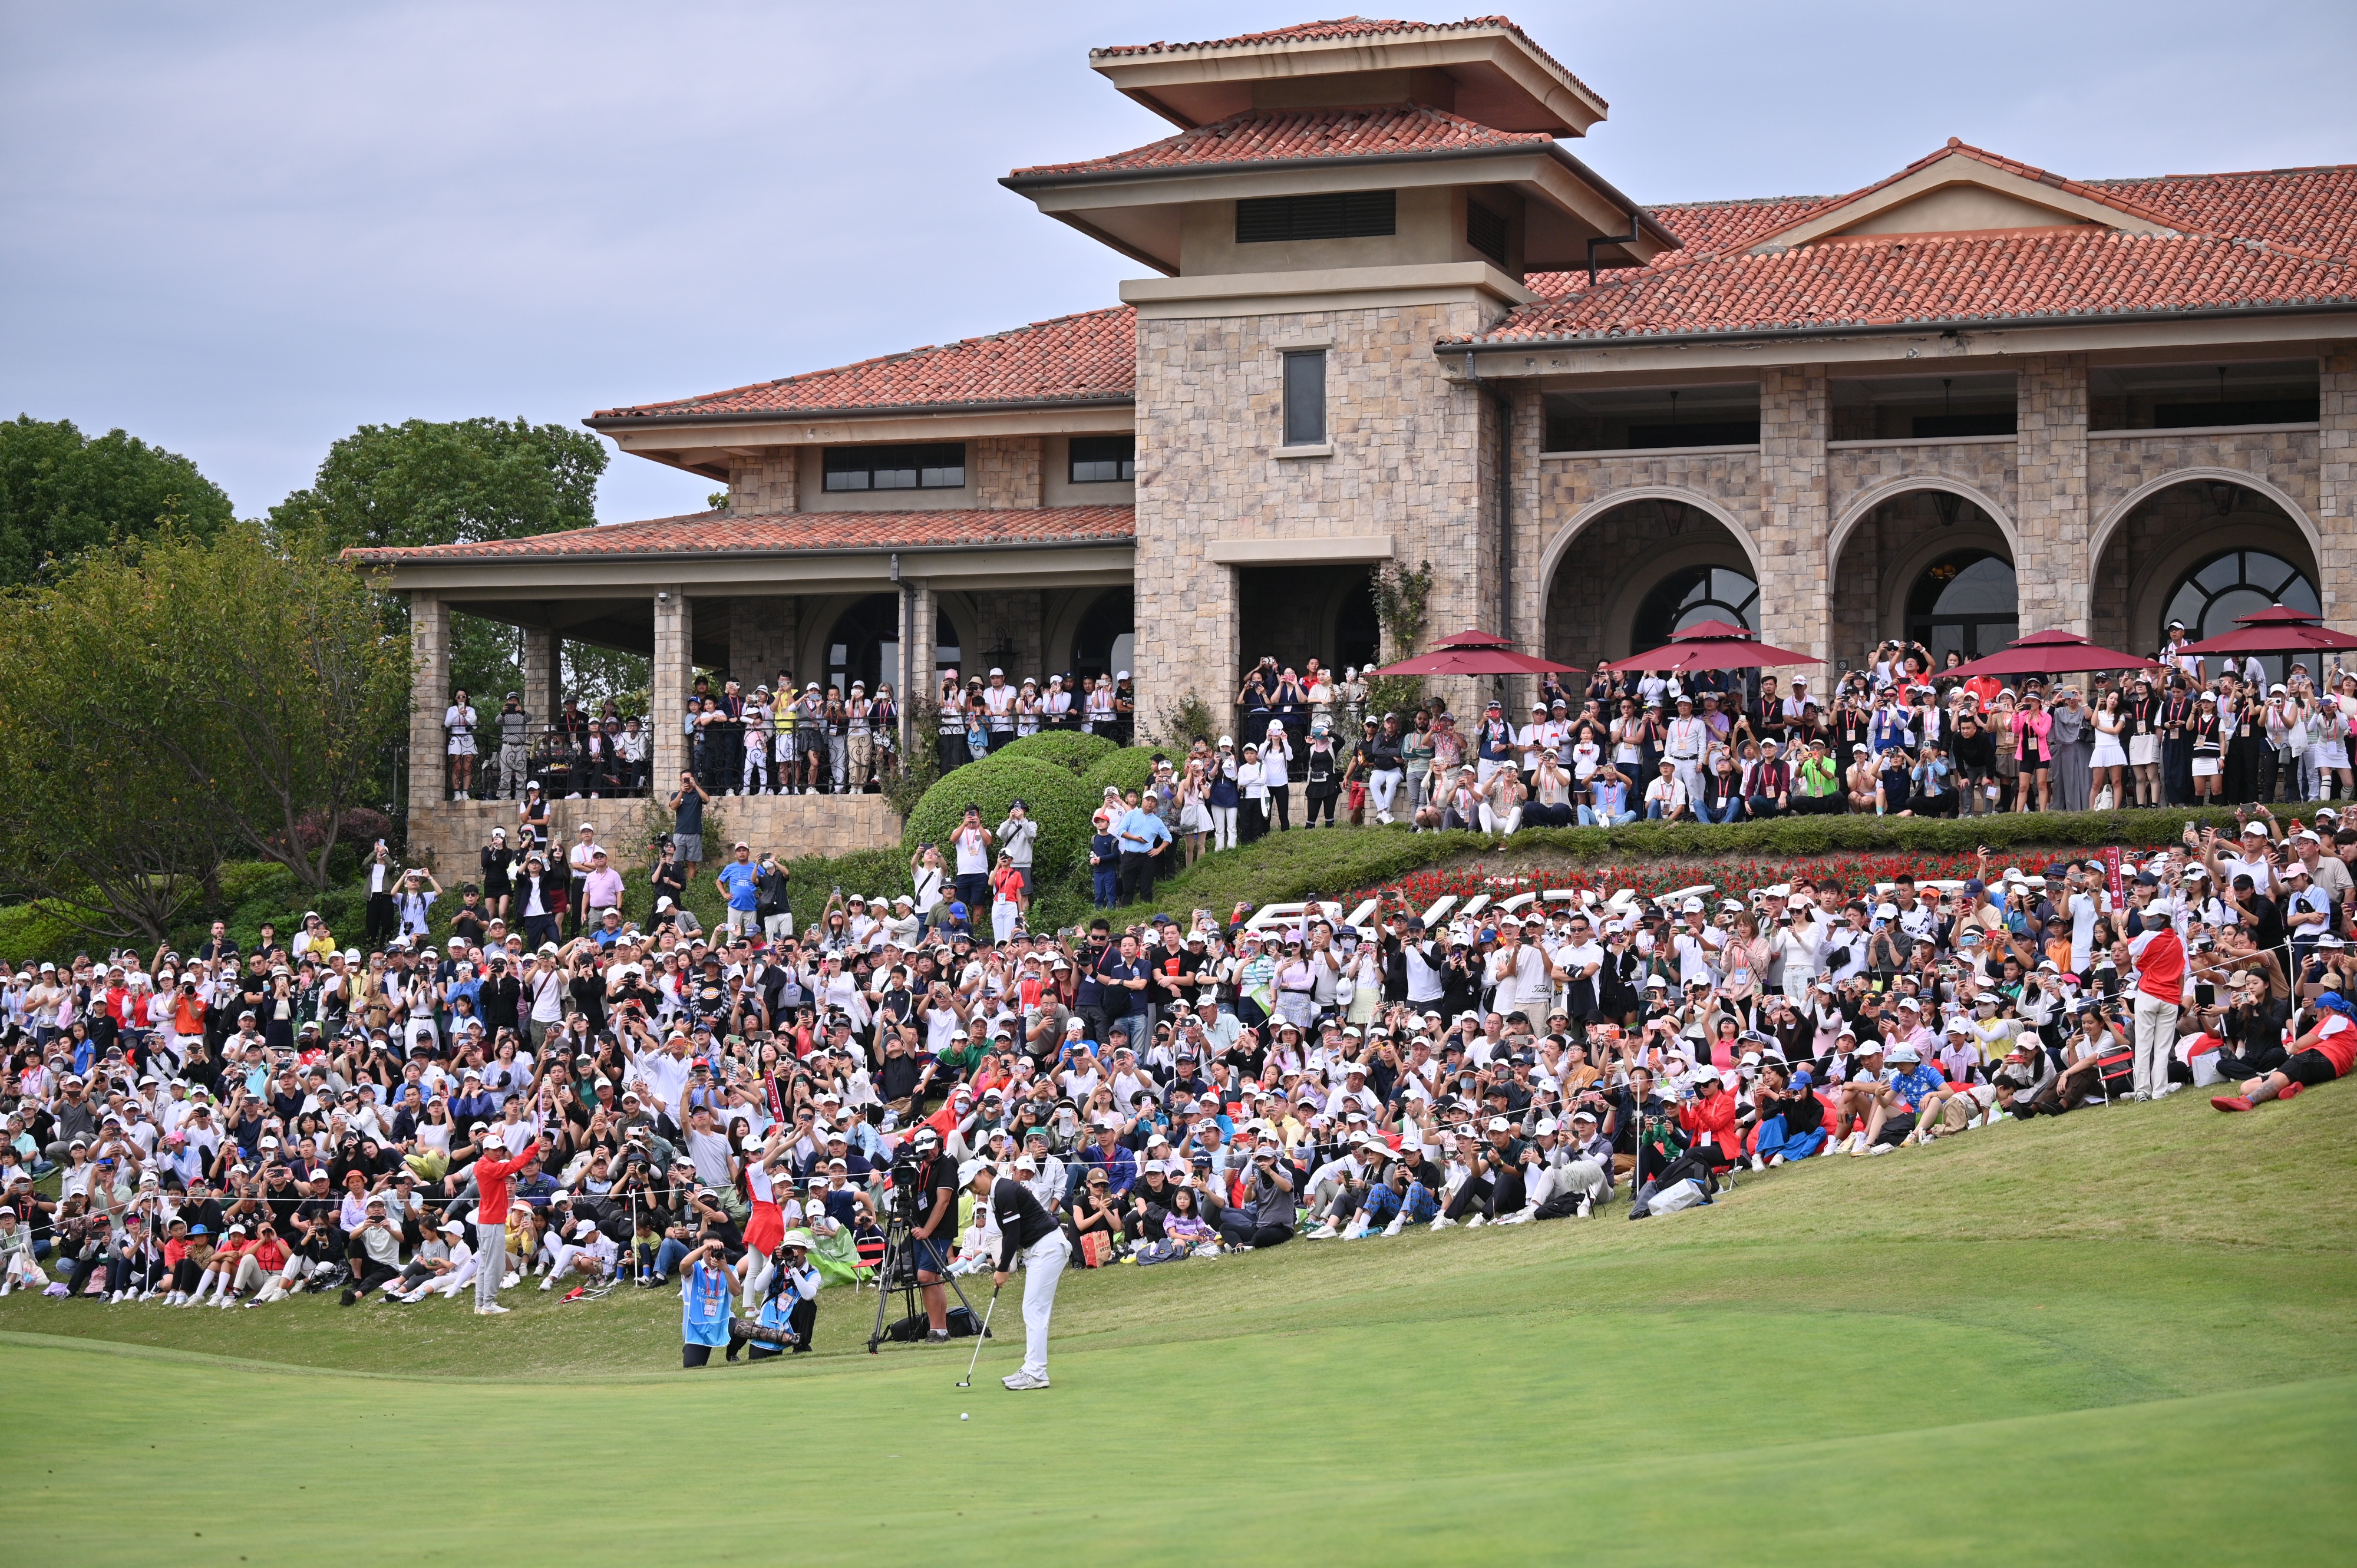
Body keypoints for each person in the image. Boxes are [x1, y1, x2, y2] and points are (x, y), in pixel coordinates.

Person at [965, 1157, 1071, 1391]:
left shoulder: (1003, 1190)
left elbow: (1012, 1234)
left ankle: (1036, 1373)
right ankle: (1032, 1368)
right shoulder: (997, 1192)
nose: (973, 1189)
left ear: (984, 1172)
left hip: (1049, 1248)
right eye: (969, 1188)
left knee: (1034, 1309)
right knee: (1032, 1308)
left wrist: (1002, 1269)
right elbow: (1012, 1233)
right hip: (1039, 1249)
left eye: (973, 1183)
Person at [678, 1237, 735, 1368]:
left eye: (715, 1249)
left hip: (723, 1321)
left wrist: (725, 1269)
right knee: (691, 1365)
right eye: (708, 1249)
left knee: (740, 1329)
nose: (712, 1253)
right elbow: (683, 1266)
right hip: (698, 1327)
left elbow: (737, 1292)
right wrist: (706, 1246)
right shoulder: (695, 1268)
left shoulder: (730, 1269)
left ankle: (732, 1353)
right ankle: (690, 1349)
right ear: (702, 1250)